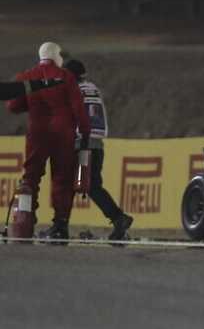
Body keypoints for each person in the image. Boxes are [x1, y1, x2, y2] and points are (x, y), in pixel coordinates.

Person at [6, 42, 88, 240]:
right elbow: (79, 109)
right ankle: (60, 225)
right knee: (62, 179)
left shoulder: (26, 76)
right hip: (63, 135)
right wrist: (85, 133)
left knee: (31, 178)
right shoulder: (66, 77)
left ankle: (26, 221)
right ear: (56, 56)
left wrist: (33, 104)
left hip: (37, 134)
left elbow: (13, 106)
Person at [64, 59, 134, 241]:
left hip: (82, 145)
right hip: (97, 144)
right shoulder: (93, 88)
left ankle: (60, 226)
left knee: (68, 184)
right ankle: (119, 219)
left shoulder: (72, 90)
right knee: (93, 186)